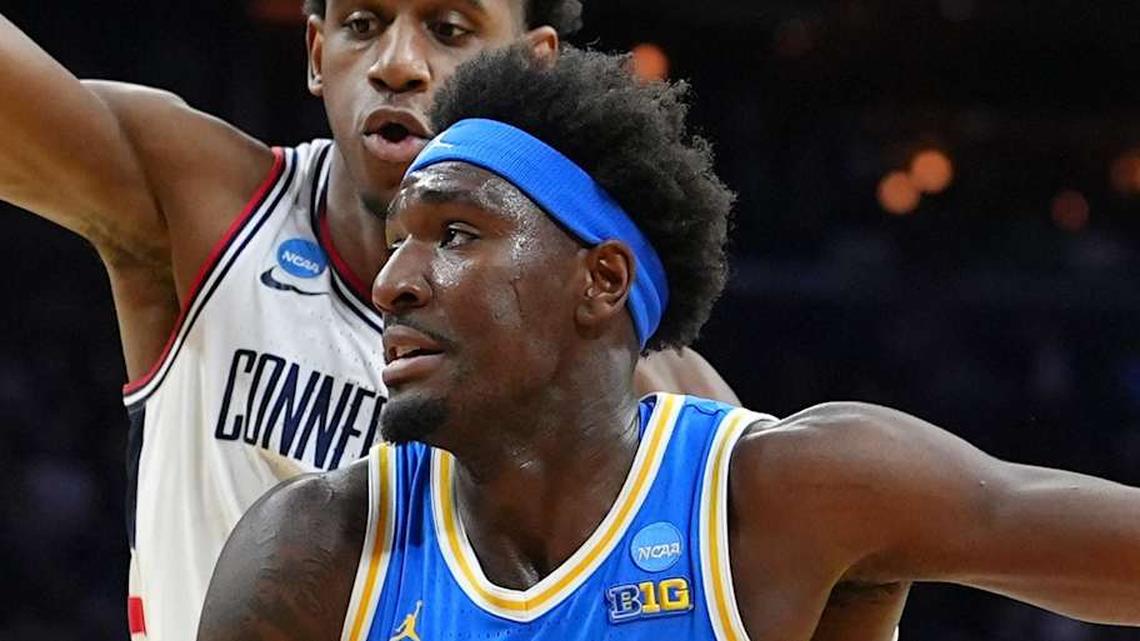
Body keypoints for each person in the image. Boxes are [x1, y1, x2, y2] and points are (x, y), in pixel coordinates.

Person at [198, 46, 1140, 641]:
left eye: (453, 234)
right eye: (400, 236)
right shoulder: (313, 550)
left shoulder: (782, 497)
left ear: (600, 282)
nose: (395, 278)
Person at [0, 2, 738, 639]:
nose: (399, 64)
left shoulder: (634, 375)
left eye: (449, 29)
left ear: (530, 65)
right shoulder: (199, 205)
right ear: (317, 53)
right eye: (362, 24)